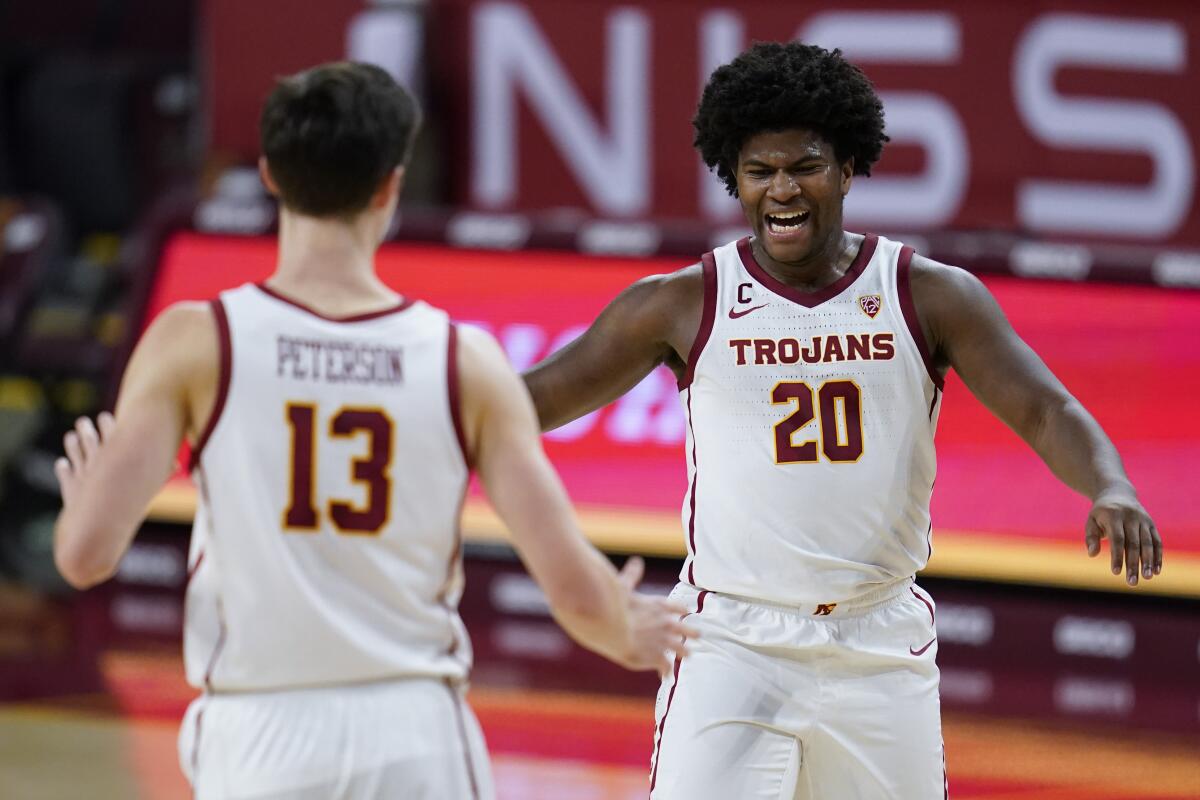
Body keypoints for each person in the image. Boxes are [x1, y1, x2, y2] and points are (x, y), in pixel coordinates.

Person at [522, 41, 1163, 799]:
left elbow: (1045, 407)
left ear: (849, 167)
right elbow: (531, 400)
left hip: (879, 640)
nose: (782, 190)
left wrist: (1111, 484)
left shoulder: (927, 293)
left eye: (806, 166)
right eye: (760, 172)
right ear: (735, 178)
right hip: (735, 640)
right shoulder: (683, 301)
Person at [52, 62, 696, 800]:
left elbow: (85, 559)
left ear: (269, 175)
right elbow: (575, 590)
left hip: (259, 736)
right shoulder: (464, 360)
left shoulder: (196, 341)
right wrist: (629, 629)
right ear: (391, 189)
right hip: (415, 732)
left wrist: (82, 501)